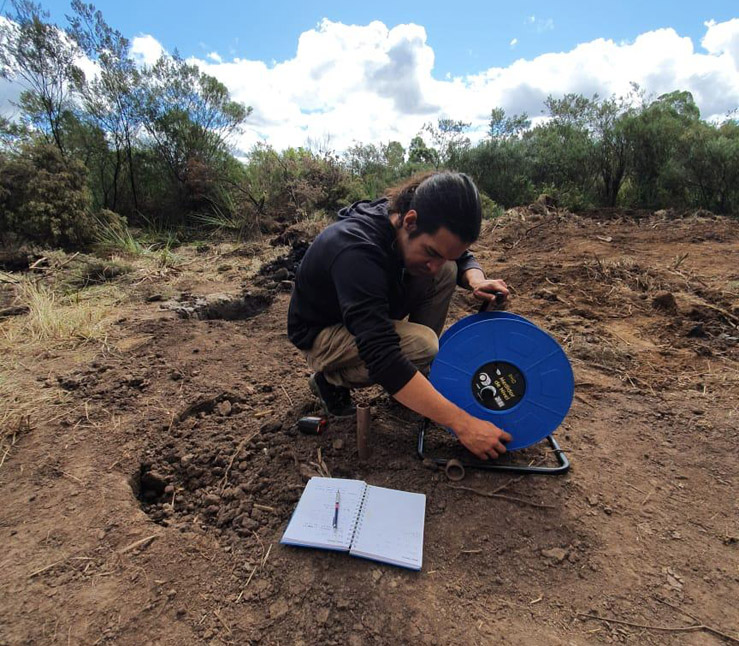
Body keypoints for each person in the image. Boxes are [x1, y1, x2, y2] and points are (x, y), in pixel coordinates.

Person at [287, 171, 512, 460]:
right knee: (424, 345)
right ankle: (330, 380)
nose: (433, 265)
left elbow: (457, 256)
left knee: (447, 271)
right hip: (323, 331)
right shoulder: (356, 251)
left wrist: (476, 280)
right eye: (431, 251)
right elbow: (381, 355)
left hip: (363, 313)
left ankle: (412, 382)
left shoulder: (407, 220)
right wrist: (462, 423)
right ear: (410, 221)